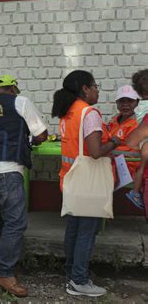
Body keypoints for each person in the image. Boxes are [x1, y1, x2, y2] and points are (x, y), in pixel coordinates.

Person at [51, 70, 121, 297]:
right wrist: (114, 141)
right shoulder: (88, 113)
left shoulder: (68, 112)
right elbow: (95, 151)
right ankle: (79, 280)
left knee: (74, 229)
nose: (97, 90)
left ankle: (72, 273)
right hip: (87, 181)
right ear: (85, 89)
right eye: (95, 86)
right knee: (86, 232)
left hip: (70, 178)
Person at [0, 75, 48, 297]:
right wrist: (32, 142)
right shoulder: (20, 102)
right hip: (7, 168)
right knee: (16, 222)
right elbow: (41, 134)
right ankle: (4, 272)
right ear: (12, 89)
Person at [107, 85, 144, 209]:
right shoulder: (114, 120)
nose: (125, 105)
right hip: (114, 163)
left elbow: (133, 151)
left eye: (130, 101)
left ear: (137, 102)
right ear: (117, 103)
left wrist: (109, 150)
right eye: (122, 101)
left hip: (130, 167)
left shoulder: (139, 123)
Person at [126, 68, 148, 210]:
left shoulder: (139, 106)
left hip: (143, 140)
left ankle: (136, 191)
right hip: (145, 139)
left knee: (143, 167)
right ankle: (134, 192)